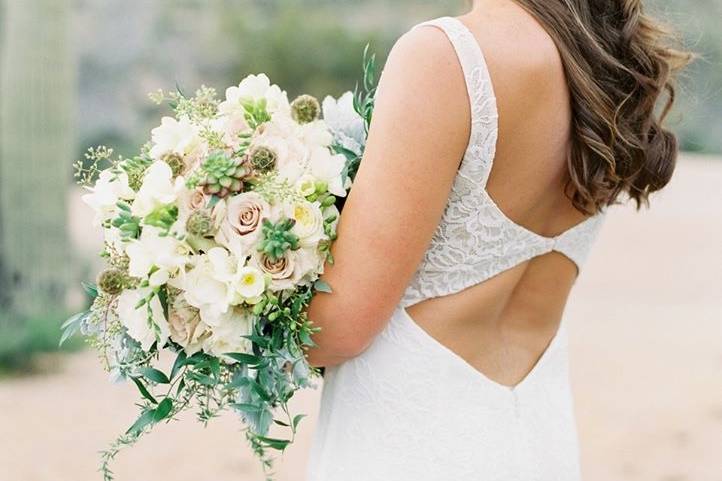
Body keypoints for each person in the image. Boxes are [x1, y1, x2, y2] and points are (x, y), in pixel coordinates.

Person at [304, 0, 691, 479]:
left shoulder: (445, 58)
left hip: (413, 442)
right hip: (539, 439)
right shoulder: (606, 63)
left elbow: (336, 330)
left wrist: (209, 278)